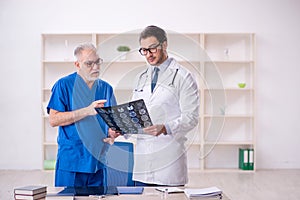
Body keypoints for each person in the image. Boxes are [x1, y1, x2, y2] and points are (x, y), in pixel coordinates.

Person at [132, 25, 200, 186]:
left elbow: (192, 117)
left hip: (169, 165)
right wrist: (121, 128)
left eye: (152, 48)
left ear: (164, 44)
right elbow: (135, 113)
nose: (148, 54)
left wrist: (165, 127)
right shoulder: (141, 78)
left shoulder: (183, 76)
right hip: (142, 164)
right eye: (144, 50)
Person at [47, 43, 119, 187]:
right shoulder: (63, 85)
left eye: (98, 62)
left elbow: (112, 122)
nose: (96, 67)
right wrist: (87, 110)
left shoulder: (106, 88)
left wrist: (113, 132)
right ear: (77, 64)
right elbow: (54, 120)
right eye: (89, 63)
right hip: (72, 161)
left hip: (98, 162)